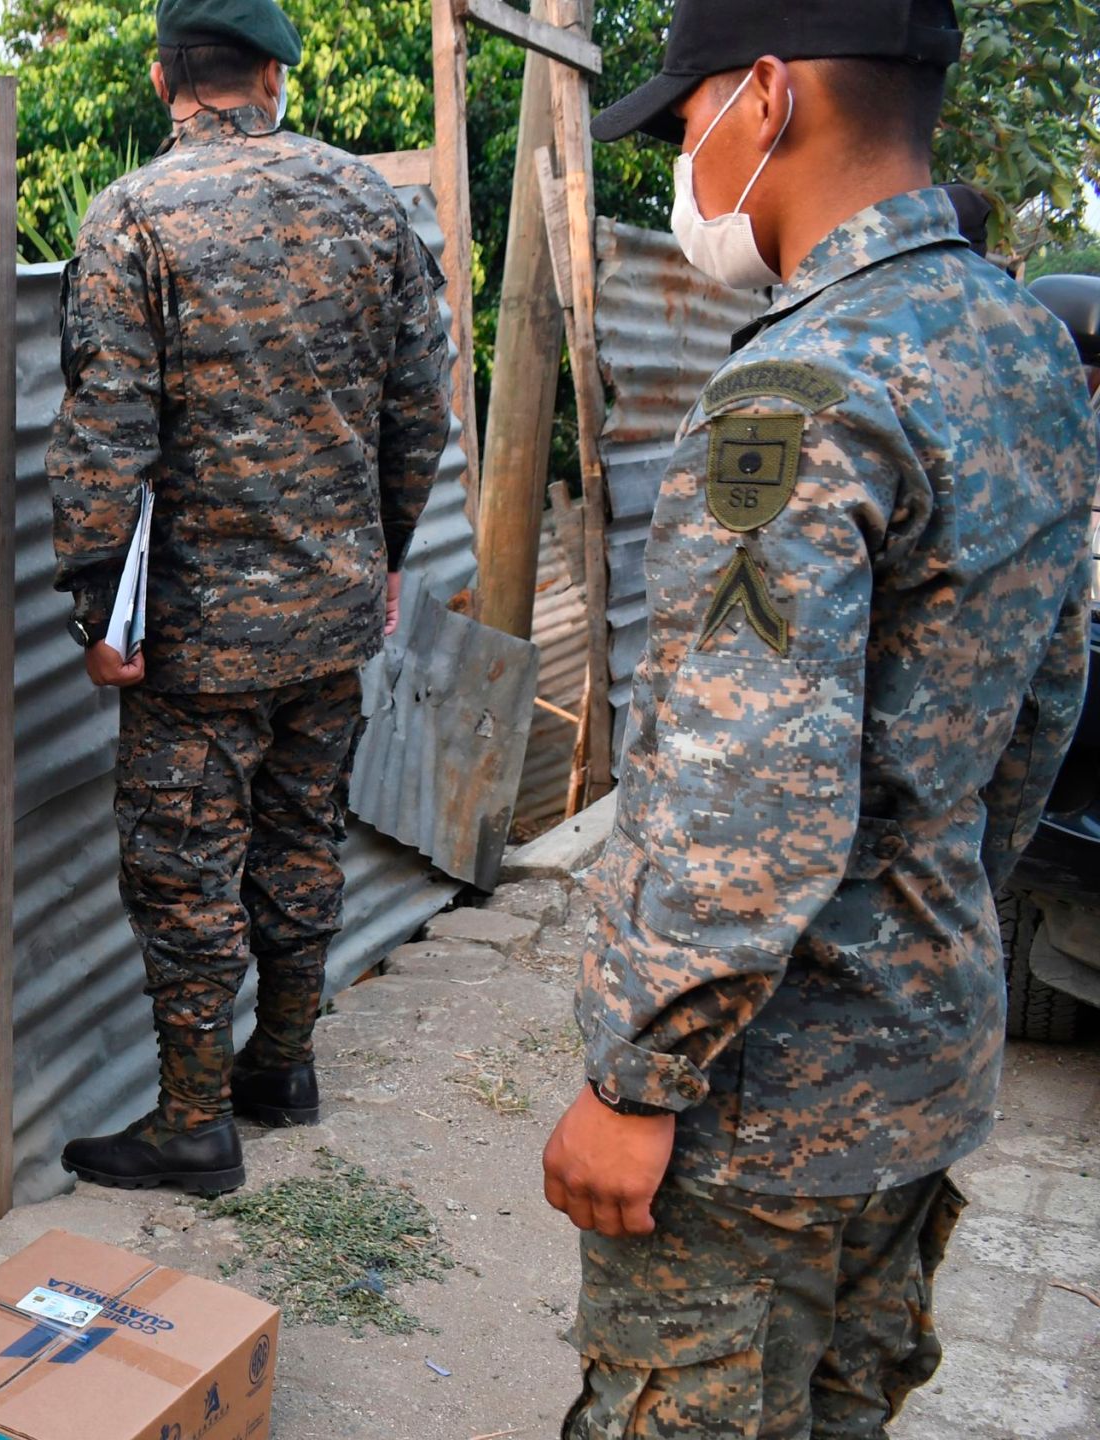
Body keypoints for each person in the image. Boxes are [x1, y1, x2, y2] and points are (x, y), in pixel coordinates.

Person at [543, 2, 1100, 1434]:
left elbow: (749, 800)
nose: (683, 163)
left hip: (758, 1117)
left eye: (685, 121)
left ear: (767, 98)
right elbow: (1042, 703)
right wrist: (934, 919)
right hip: (923, 1059)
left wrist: (641, 1076)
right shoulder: (1024, 344)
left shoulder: (792, 396)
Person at [44, 0, 450, 1195]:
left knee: (183, 869)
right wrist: (379, 558)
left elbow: (103, 435)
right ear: (274, 73)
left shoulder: (130, 217)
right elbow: (420, 409)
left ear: (165, 75)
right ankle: (283, 1068)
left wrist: (95, 614)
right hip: (329, 616)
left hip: (196, 635)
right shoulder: (369, 201)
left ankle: (193, 1122)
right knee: (300, 844)